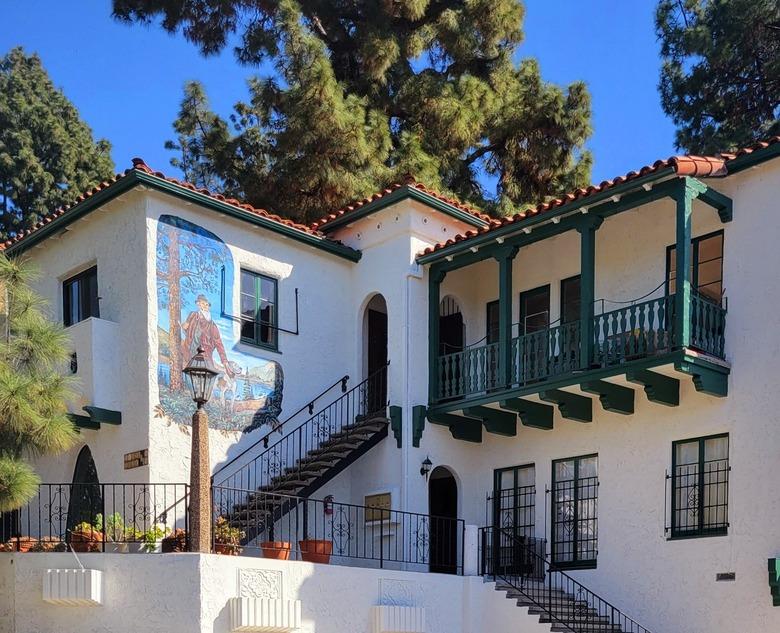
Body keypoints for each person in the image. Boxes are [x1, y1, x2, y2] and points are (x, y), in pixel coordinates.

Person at [181, 294, 234, 377]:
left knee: (205, 378)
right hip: (190, 354)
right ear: (198, 304)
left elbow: (219, 344)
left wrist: (225, 362)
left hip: (205, 356)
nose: (205, 306)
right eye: (202, 303)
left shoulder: (212, 326)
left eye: (207, 304)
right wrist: (184, 326)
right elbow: (185, 327)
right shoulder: (193, 315)